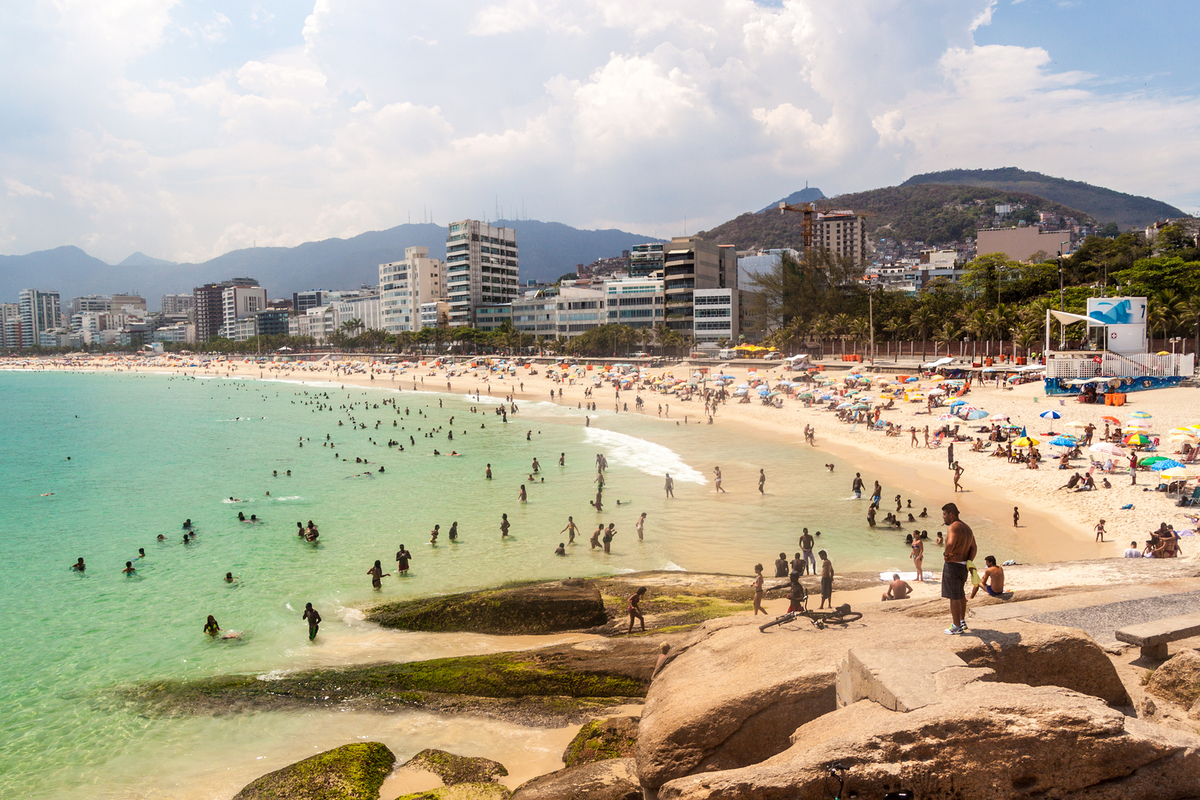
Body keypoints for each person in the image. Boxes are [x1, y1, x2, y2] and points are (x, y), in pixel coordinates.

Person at [941, 502, 977, 635]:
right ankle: (962, 621)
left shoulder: (953, 526)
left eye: (944, 514)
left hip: (953, 565)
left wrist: (946, 555)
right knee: (960, 593)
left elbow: (951, 543)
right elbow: (974, 547)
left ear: (951, 514)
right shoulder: (967, 528)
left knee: (954, 596)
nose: (943, 517)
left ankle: (956, 626)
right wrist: (968, 561)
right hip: (963, 566)